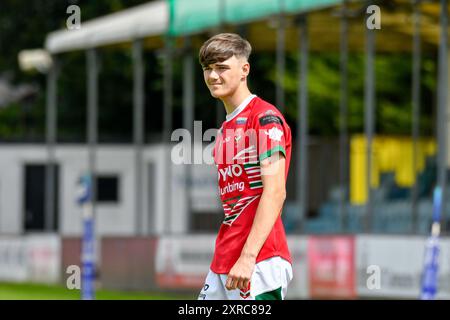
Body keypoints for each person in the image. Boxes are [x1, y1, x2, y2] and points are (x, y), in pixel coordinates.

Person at [197, 33, 293, 300]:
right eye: (207, 68)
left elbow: (275, 192)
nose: (213, 76)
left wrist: (248, 258)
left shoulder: (265, 118)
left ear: (244, 70)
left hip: (258, 261)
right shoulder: (226, 128)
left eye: (221, 67)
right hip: (225, 258)